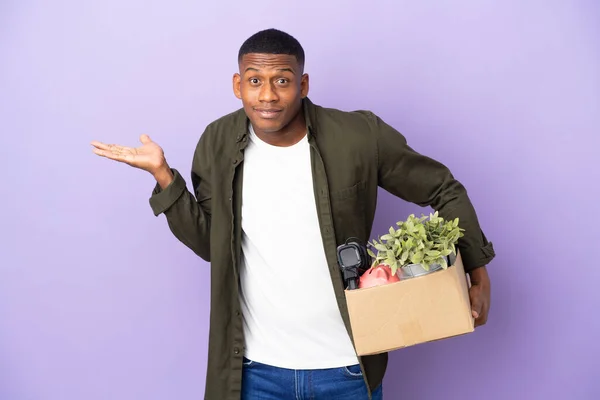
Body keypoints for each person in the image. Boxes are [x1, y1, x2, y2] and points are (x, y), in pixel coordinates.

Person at [91, 28, 495, 400]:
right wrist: (164, 178)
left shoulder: (358, 136)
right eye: (254, 81)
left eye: (281, 81)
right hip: (255, 373)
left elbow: (442, 188)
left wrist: (476, 269)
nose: (267, 96)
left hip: (348, 370)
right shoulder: (216, 142)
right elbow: (212, 244)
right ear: (237, 85)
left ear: (302, 84)